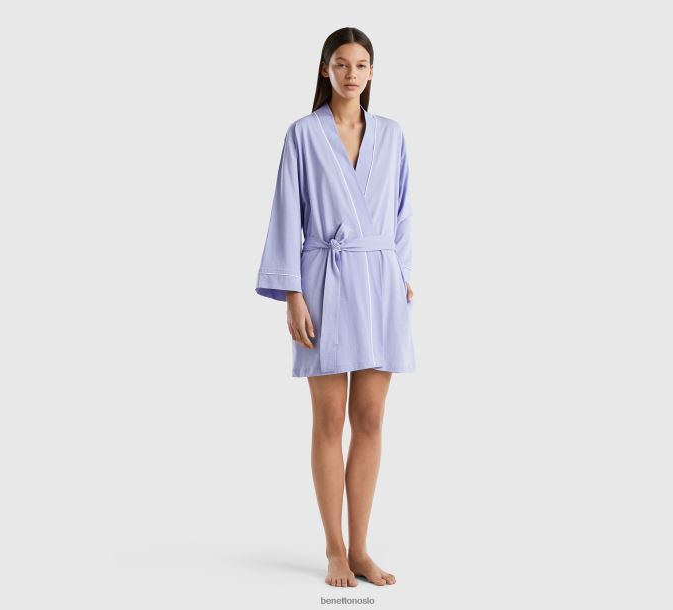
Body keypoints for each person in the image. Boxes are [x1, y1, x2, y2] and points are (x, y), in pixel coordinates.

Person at [255, 27, 415, 588]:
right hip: (324, 279)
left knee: (370, 418)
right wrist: (292, 294)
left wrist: (404, 275)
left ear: (372, 72)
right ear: (325, 69)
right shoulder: (303, 134)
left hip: (380, 280)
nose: (351, 74)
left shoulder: (392, 135)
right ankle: (334, 550)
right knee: (328, 417)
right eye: (341, 63)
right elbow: (287, 213)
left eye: (361, 64)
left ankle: (363, 548)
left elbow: (403, 212)